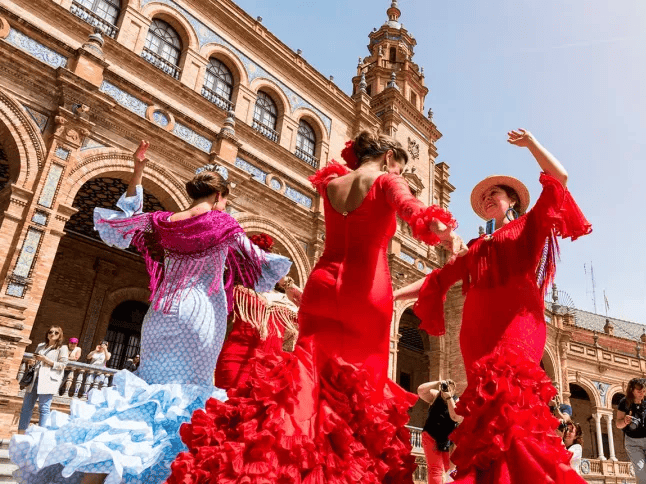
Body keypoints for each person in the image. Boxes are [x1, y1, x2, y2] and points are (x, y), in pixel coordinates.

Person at [166, 131, 464, 483]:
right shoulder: (387, 179)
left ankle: (277, 466)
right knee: (359, 395)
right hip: (366, 293)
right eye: (398, 167)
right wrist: (444, 232)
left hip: (320, 287)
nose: (398, 173)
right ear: (388, 159)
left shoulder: (333, 183)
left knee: (307, 386)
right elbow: (413, 211)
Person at [10, 141, 291, 484]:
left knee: (145, 393)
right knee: (186, 399)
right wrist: (290, 288)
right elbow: (261, 267)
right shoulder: (225, 225)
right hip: (199, 317)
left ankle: (98, 468)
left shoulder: (164, 221)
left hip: (159, 314)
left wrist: (138, 170)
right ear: (221, 196)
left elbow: (122, 222)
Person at [394, 129, 592, 483]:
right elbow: (436, 280)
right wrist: (392, 296)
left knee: (512, 405)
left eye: (495, 193)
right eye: (484, 196)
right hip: (476, 336)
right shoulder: (476, 246)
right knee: (487, 417)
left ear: (512, 199)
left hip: (517, 326)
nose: (487, 198)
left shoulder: (529, 226)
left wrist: (531, 143)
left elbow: (559, 179)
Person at [214, 232, 302, 390]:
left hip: (271, 371)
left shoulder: (285, 304)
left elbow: (309, 310)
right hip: (234, 362)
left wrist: (287, 283)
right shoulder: (238, 292)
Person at [17, 326, 69, 433]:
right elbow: (35, 360)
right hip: (34, 379)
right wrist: (32, 362)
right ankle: (21, 433)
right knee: (26, 407)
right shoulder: (41, 346)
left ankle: (40, 434)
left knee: (44, 408)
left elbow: (63, 365)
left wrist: (46, 359)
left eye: (56, 333)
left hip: (48, 380)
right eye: (50, 332)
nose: (52, 334)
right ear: (47, 333)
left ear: (60, 335)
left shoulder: (62, 348)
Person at [417, 379, 463, 484]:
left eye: (449, 387)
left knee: (451, 468)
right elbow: (420, 390)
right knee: (435, 469)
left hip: (447, 439)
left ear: (453, 389)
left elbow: (456, 417)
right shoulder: (436, 395)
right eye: (445, 386)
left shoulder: (456, 401)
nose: (446, 388)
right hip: (430, 435)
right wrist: (438, 382)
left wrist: (449, 397)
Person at [617, 378, 646, 483]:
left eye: (643, 391)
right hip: (633, 443)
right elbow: (618, 424)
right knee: (641, 472)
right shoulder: (624, 402)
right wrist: (625, 421)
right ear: (632, 390)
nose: (641, 394)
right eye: (639, 391)